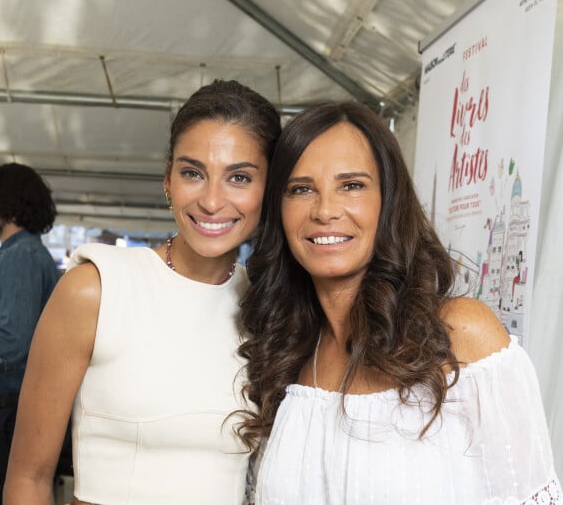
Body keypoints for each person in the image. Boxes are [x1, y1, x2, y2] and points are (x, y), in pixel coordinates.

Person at [238, 101, 561, 504]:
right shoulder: (288, 353)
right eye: (301, 189)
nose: (324, 210)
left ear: (389, 200)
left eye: (351, 185)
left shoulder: (462, 336)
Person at [4, 80, 281, 505]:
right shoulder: (95, 288)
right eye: (193, 173)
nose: (211, 200)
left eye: (239, 177)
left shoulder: (270, 308)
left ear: (269, 189)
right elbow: (29, 478)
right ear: (167, 178)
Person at [0, 163, 60, 505]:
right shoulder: (21, 255)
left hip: (18, 418)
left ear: (9, 204)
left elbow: (12, 343)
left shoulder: (21, 258)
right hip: (12, 411)